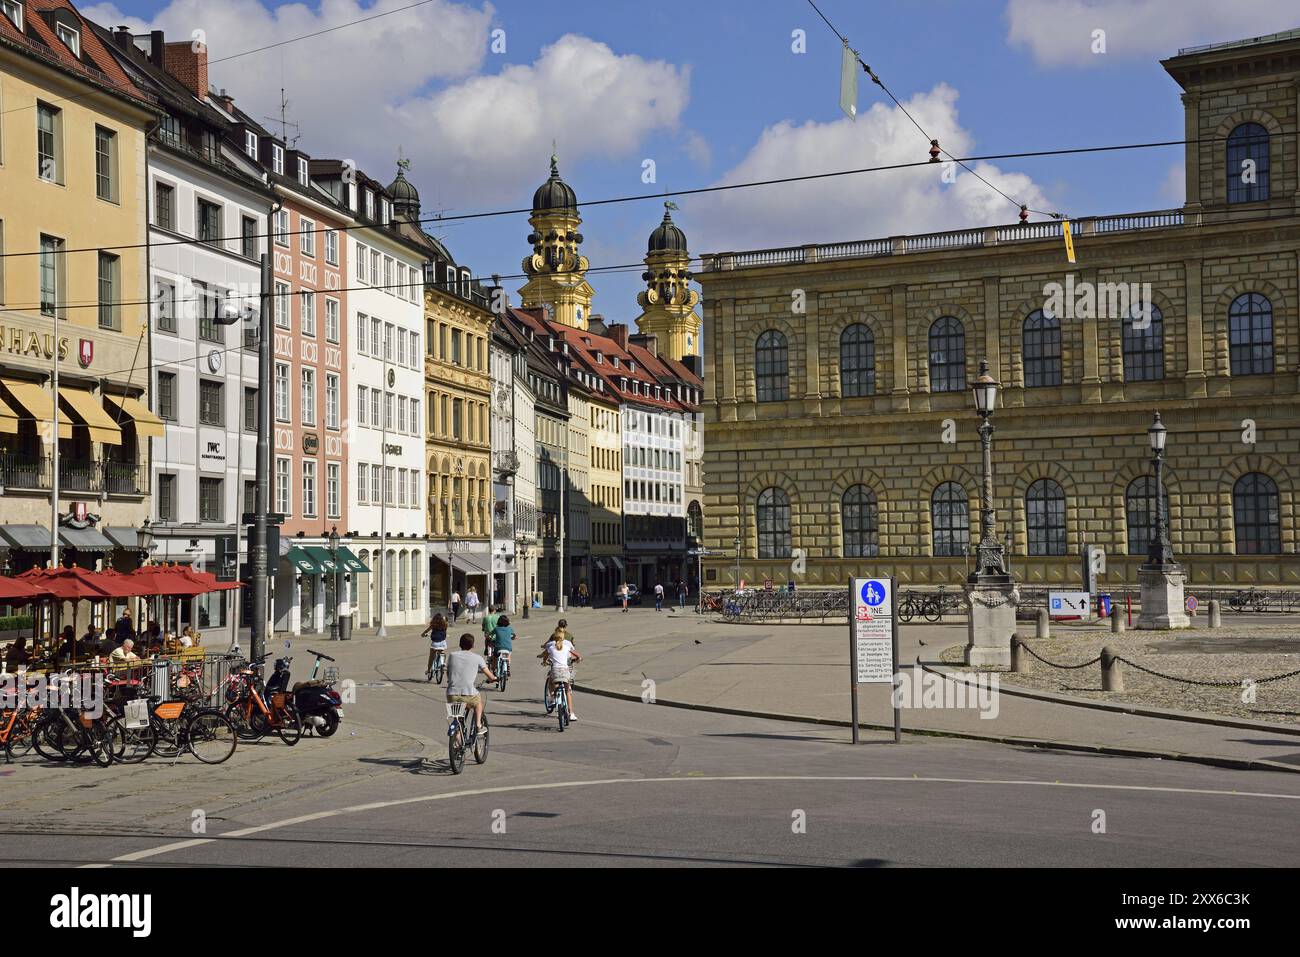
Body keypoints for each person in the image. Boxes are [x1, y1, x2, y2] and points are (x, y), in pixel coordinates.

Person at [446, 633, 496, 733]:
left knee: (458, 719)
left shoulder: (452, 656)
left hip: (452, 694)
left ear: (460, 644)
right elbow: (489, 676)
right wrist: (494, 678)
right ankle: (478, 725)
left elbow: (448, 672)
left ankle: (457, 742)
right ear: (473, 645)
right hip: (469, 694)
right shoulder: (478, 658)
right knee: (478, 703)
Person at [541, 628, 582, 721]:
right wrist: (579, 658)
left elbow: (545, 655)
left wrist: (544, 661)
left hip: (555, 671)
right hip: (565, 671)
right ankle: (571, 713)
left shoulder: (551, 647)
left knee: (551, 682)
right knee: (568, 691)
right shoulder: (567, 647)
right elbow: (577, 656)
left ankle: (552, 698)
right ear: (563, 639)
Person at [422, 613, 448, 681]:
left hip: (435, 644)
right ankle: (442, 663)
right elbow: (444, 633)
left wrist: (423, 634)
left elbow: (425, 632)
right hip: (443, 643)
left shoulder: (433, 625)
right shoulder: (445, 625)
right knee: (441, 652)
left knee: (431, 657)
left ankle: (429, 669)